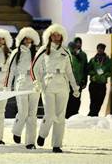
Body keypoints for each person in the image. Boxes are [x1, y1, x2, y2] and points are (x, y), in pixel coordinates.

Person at [31, 24, 80, 153]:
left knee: (60, 116)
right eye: (53, 34)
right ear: (49, 36)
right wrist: (36, 82)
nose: (56, 37)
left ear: (62, 36)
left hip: (63, 86)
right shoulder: (43, 49)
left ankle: (57, 145)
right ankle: (42, 134)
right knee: (50, 114)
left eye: (58, 34)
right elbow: (34, 68)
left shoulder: (65, 51)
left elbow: (70, 72)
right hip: (48, 85)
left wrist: (75, 87)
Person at [4, 27, 41, 149]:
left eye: (30, 37)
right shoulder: (16, 52)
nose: (28, 40)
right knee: (23, 112)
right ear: (21, 38)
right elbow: (11, 70)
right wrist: (7, 87)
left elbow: (43, 69)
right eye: (26, 37)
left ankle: (30, 142)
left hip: (35, 84)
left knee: (32, 114)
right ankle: (17, 131)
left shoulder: (37, 52)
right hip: (21, 83)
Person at [87, 43, 112, 116]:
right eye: (98, 48)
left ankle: (92, 116)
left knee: (100, 101)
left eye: (101, 48)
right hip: (93, 84)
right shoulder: (93, 60)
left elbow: (111, 72)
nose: (99, 50)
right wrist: (94, 74)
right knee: (93, 102)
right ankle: (92, 116)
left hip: (102, 85)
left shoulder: (108, 61)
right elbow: (88, 70)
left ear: (103, 50)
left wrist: (105, 76)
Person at [66, 37, 88, 118]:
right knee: (68, 100)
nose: (78, 44)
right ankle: (67, 116)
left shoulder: (83, 55)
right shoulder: (68, 54)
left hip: (79, 82)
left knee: (77, 100)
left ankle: (74, 116)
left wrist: (85, 81)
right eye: (77, 42)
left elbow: (85, 69)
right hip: (69, 82)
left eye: (80, 42)